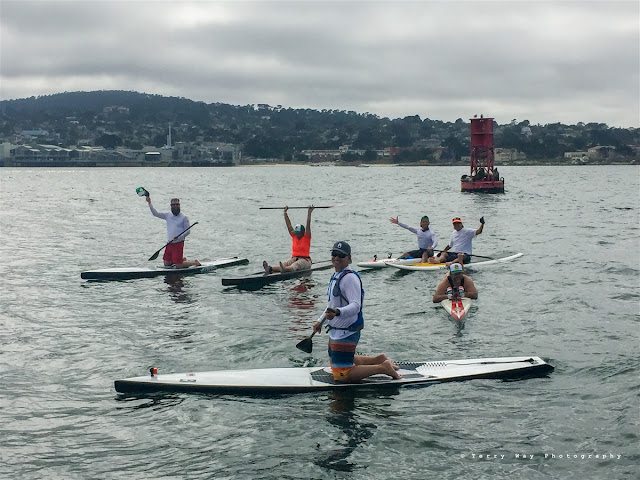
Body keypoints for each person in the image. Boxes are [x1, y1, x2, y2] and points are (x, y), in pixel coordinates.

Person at [312, 241, 402, 383]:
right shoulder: (337, 276)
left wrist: (337, 312)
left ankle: (383, 368)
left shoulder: (350, 278)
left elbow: (356, 306)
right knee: (338, 362)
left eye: (341, 255)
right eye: (334, 254)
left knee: (342, 375)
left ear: (349, 258)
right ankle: (378, 360)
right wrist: (320, 321)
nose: (337, 258)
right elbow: (331, 306)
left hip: (347, 331)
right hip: (336, 330)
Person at [146, 195, 201, 268]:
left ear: (179, 205)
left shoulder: (184, 217)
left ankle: (194, 263)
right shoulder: (167, 215)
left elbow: (188, 231)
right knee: (167, 264)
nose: (175, 206)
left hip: (178, 243)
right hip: (169, 243)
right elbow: (155, 213)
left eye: (177, 204)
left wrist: (179, 237)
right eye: (173, 205)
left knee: (178, 265)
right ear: (171, 206)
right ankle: (182, 260)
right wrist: (149, 203)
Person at [263, 205, 315, 274]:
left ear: (302, 232)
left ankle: (285, 269)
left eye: (298, 233)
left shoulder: (306, 236)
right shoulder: (294, 236)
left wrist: (309, 213)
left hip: (305, 260)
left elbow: (308, 225)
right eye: (296, 232)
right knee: (285, 263)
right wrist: (285, 213)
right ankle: (270, 268)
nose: (296, 234)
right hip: (294, 258)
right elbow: (289, 225)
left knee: (295, 265)